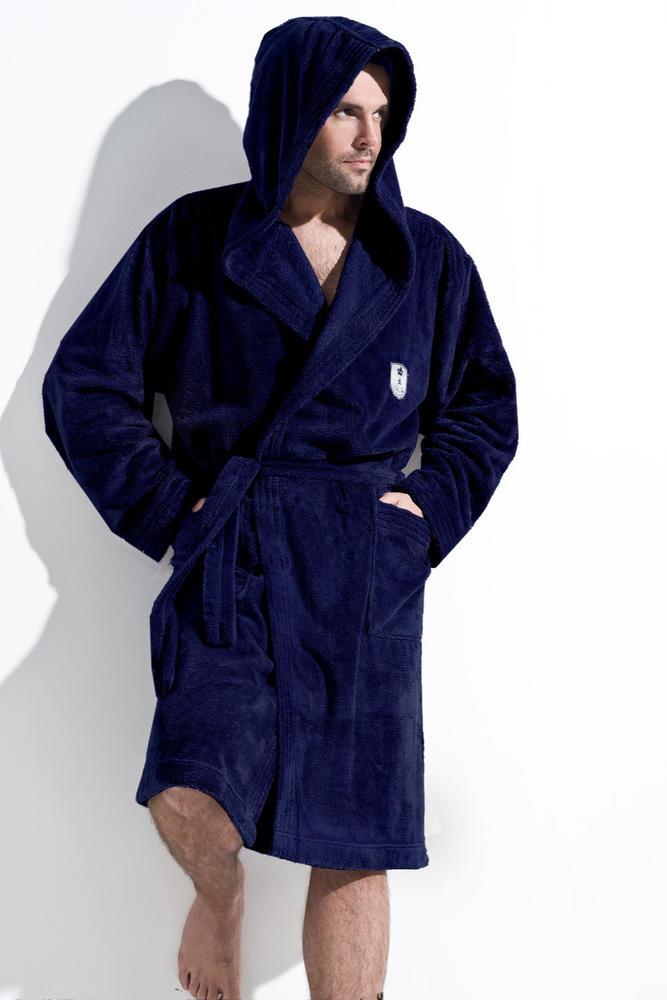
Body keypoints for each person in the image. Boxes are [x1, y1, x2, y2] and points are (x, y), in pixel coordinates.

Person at [41, 15, 519, 1000]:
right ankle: (219, 900)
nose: (369, 135)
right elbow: (82, 387)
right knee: (187, 789)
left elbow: (485, 405)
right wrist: (174, 511)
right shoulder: (194, 239)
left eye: (382, 113)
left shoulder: (422, 259)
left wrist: (423, 516)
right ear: (291, 108)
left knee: (352, 837)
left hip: (363, 568)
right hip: (236, 553)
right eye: (345, 110)